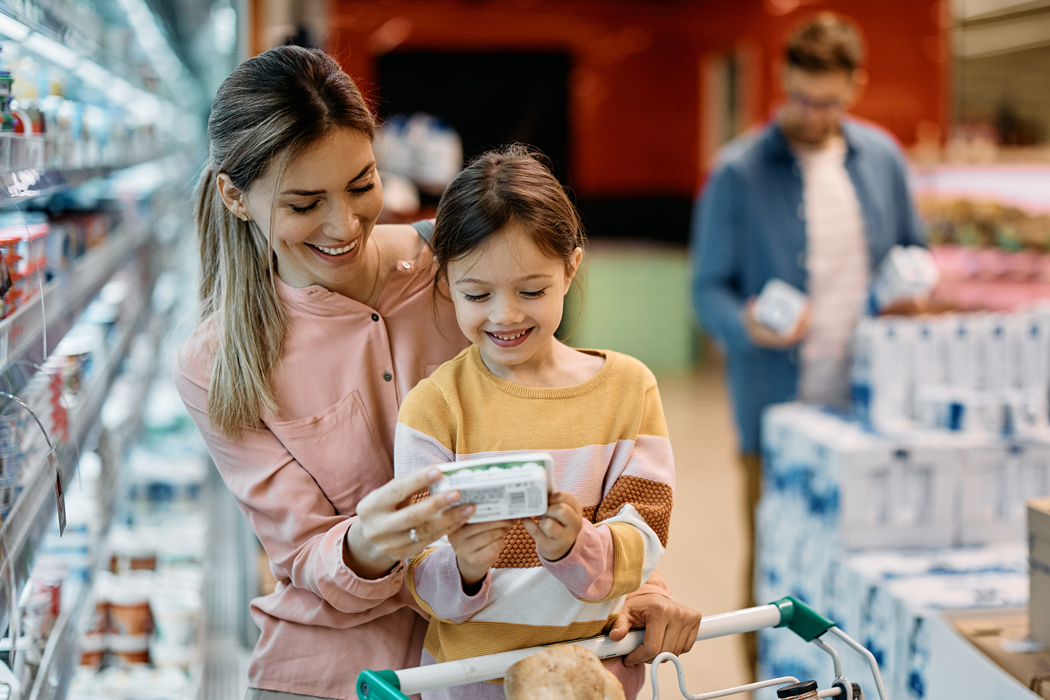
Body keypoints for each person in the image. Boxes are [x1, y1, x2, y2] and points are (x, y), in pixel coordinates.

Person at [174, 45, 702, 700]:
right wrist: (367, 544)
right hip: (338, 674)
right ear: (235, 196)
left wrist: (639, 583)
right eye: (305, 204)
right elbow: (303, 552)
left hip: (513, 666)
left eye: (362, 185)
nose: (344, 225)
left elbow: (586, 442)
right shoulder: (217, 361)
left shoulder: (459, 272)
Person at [394, 146, 676, 700]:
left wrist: (575, 547)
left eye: (532, 291)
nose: (505, 315)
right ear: (446, 280)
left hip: (590, 676)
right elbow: (414, 564)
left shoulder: (627, 389)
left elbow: (645, 537)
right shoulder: (433, 406)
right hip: (467, 682)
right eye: (477, 294)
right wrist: (465, 569)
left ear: (571, 267)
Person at [690, 13, 925, 668]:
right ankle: (762, 681)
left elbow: (915, 252)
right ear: (782, 81)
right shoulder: (736, 173)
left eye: (828, 102)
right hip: (777, 415)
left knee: (862, 561)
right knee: (774, 565)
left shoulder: (882, 158)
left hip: (871, 411)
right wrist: (747, 325)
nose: (813, 115)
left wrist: (915, 292)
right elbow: (706, 291)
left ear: (855, 87)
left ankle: (848, 677)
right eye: (799, 98)